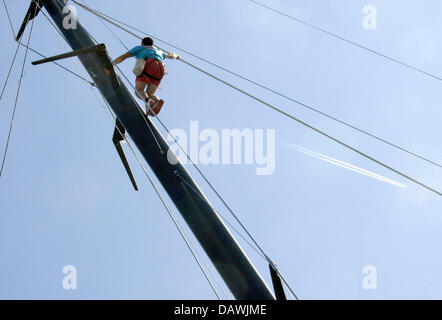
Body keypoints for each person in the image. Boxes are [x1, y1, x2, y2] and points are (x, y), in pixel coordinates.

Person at [113, 37, 179, 116]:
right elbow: (171, 56)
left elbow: (124, 56)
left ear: (143, 43)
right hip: (161, 68)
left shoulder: (140, 48)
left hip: (149, 63)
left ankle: (148, 102)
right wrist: (177, 56)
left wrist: (112, 63)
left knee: (139, 90)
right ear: (152, 44)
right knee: (150, 93)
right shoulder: (159, 51)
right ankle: (156, 101)